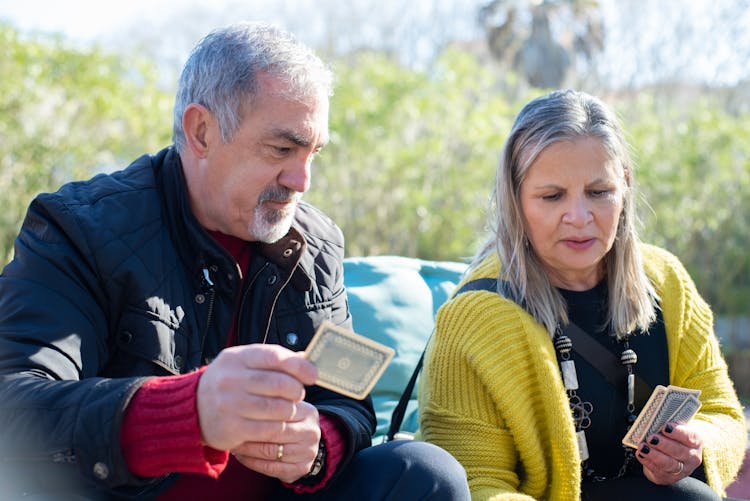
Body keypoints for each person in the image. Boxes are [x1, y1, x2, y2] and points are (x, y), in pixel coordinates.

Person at [0, 22, 470, 501]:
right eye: (283, 149)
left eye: (314, 153)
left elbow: (346, 402)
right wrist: (190, 412)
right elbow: (13, 409)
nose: (302, 179)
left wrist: (318, 446)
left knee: (423, 471)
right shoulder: (77, 229)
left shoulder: (317, 243)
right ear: (201, 131)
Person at [417, 89, 747, 500]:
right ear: (515, 200)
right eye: (552, 196)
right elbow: (477, 482)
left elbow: (724, 414)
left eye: (599, 192)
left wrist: (698, 443)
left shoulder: (667, 283)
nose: (578, 217)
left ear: (624, 186)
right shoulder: (475, 315)